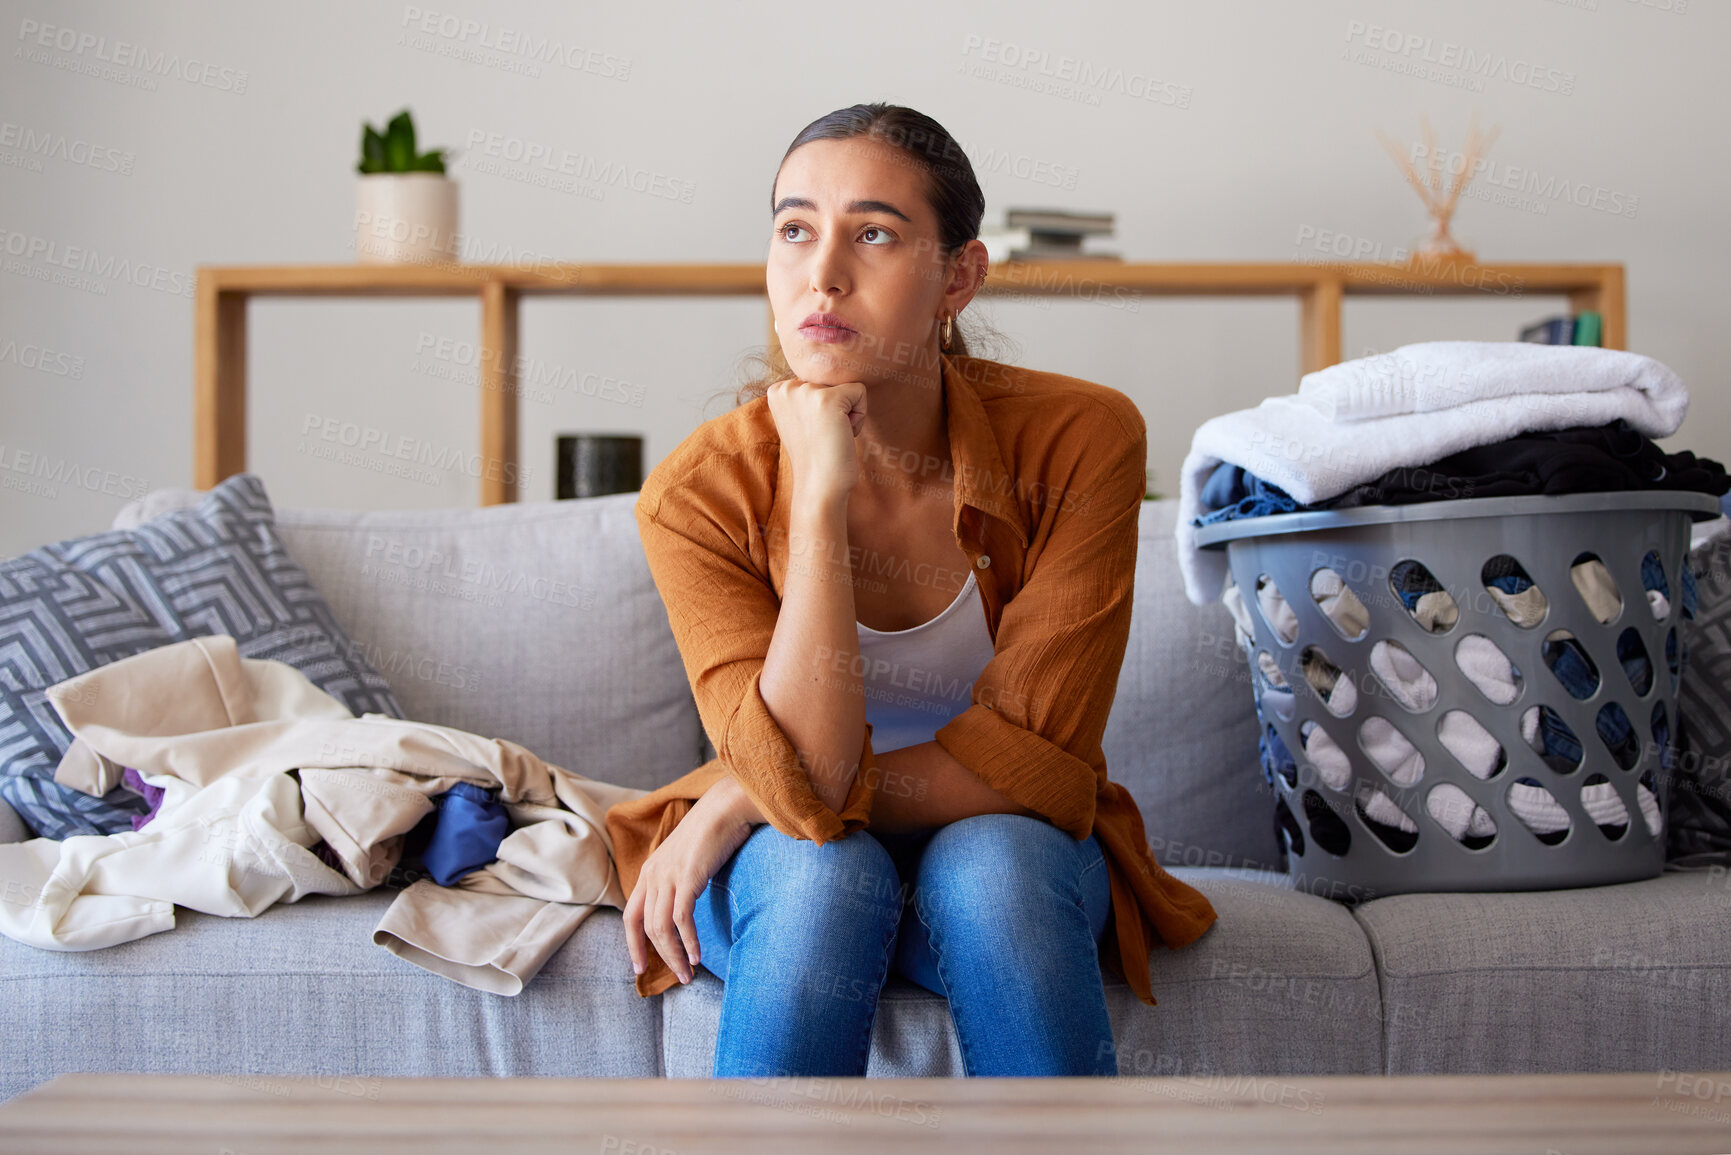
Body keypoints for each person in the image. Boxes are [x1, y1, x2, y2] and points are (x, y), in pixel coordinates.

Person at [603, 102, 1217, 1079]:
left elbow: (1035, 761)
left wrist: (741, 797)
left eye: (875, 233)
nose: (823, 272)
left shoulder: (1081, 440)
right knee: (821, 880)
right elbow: (806, 806)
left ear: (957, 277)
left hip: (989, 864)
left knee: (996, 868)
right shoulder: (697, 492)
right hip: (791, 871)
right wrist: (819, 502)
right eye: (795, 229)